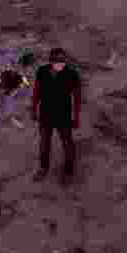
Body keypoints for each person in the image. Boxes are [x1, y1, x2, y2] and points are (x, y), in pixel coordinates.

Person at [30, 48, 82, 181]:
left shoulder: (72, 74)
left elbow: (77, 98)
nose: (60, 63)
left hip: (63, 115)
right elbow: (37, 91)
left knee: (67, 143)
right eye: (57, 60)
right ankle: (43, 168)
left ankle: (69, 172)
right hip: (45, 114)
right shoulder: (41, 72)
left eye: (62, 60)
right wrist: (33, 108)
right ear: (50, 60)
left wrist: (76, 117)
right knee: (44, 143)